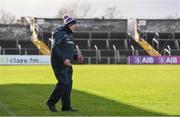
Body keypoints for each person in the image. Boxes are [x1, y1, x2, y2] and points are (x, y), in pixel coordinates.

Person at [47, 15, 83, 112]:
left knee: (68, 85)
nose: (75, 27)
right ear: (68, 25)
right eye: (74, 25)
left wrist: (76, 57)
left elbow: (68, 50)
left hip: (68, 63)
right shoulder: (59, 33)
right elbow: (55, 49)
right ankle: (51, 103)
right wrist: (63, 60)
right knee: (63, 83)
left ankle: (66, 107)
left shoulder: (69, 35)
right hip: (59, 63)